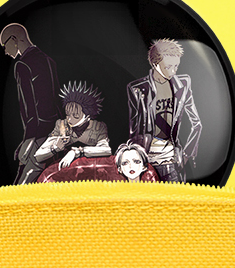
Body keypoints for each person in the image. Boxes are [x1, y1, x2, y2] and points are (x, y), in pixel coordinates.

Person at [126, 38, 201, 182]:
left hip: (171, 160)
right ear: (155, 64)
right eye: (168, 67)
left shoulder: (183, 84)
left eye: (176, 66)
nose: (173, 71)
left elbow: (197, 123)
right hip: (147, 159)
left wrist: (186, 154)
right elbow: (134, 131)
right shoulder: (138, 88)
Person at [0, 23, 59, 184]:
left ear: (14, 40)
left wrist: (28, 140)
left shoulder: (22, 65)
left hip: (38, 135)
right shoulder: (49, 60)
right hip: (55, 132)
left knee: (22, 184)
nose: (5, 51)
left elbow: (29, 108)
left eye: (5, 45)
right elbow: (56, 99)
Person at [34, 80, 111, 171]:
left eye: (76, 116)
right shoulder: (62, 125)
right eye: (67, 115)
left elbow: (106, 150)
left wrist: (77, 152)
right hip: (65, 171)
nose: (70, 119)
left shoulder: (98, 127)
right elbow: (38, 156)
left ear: (88, 116)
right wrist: (55, 148)